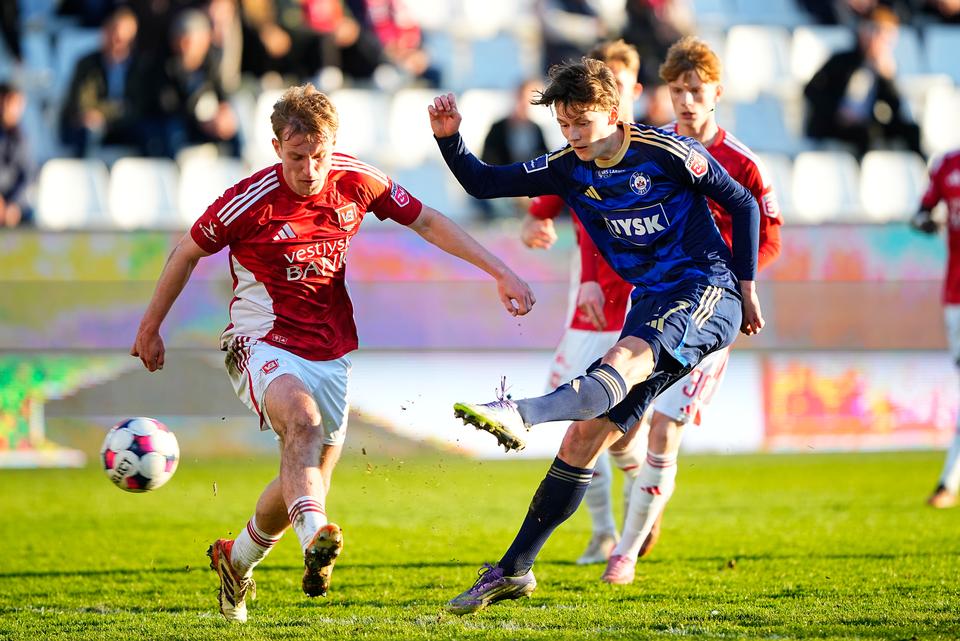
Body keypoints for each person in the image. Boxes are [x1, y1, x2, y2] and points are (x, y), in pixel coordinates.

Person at [130, 83, 535, 623]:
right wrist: (151, 326)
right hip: (262, 341)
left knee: (306, 468)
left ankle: (236, 560)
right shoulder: (247, 201)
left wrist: (501, 271)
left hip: (332, 350)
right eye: (297, 157)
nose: (310, 169)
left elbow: (429, 222)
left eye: (319, 155)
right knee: (302, 423)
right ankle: (315, 538)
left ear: (332, 144)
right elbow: (185, 254)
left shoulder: (355, 178)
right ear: (277, 148)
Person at [428, 57, 763, 614]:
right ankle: (513, 570)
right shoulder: (567, 164)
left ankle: (523, 411)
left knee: (624, 358)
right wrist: (450, 139)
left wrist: (746, 288)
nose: (573, 134)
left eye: (582, 121)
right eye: (565, 123)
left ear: (614, 111)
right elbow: (484, 181)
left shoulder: (666, 152)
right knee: (582, 441)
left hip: (707, 290)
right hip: (652, 302)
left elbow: (743, 202)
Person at [596, 35, 783, 584]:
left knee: (664, 432)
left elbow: (769, 236)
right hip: (655, 302)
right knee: (619, 429)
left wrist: (737, 283)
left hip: (712, 310)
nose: (685, 100)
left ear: (716, 92)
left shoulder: (743, 163)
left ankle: (624, 554)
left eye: (695, 90)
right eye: (677, 90)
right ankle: (645, 501)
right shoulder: (652, 148)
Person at [518, 39, 644, 567]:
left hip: (637, 311)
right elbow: (542, 204)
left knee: (604, 422)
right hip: (587, 307)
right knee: (589, 421)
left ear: (627, 95)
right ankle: (610, 526)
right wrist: (536, 223)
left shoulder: (657, 152)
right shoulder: (579, 157)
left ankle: (636, 515)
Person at [803, 6, 922, 158]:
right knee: (865, 135)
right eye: (876, 31)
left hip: (868, 123)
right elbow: (811, 90)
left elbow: (895, 109)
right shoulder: (840, 61)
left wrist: (887, 79)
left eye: (886, 35)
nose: (880, 39)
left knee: (911, 130)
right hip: (835, 123)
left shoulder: (884, 68)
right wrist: (837, 112)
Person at [911, 147, 960, 509]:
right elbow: (920, 214)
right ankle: (948, 483)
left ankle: (948, 483)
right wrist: (926, 222)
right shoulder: (947, 165)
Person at [60, 6, 151, 157]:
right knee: (85, 132)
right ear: (105, 33)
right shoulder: (87, 64)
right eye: (114, 35)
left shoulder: (139, 67)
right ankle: (84, 177)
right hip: (91, 126)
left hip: (123, 124)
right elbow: (82, 103)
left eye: (123, 39)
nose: (117, 43)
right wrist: (102, 114)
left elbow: (137, 105)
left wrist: (105, 114)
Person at [0, 83, 33, 227]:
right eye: (12, 103)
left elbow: (28, 174)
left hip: (12, 204)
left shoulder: (21, 137)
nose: (16, 110)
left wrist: (14, 204)